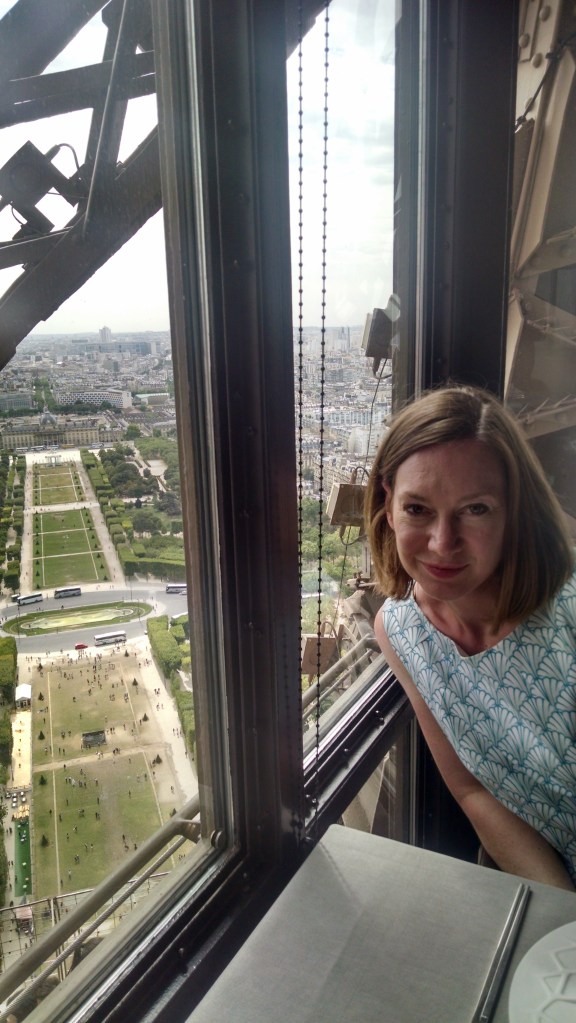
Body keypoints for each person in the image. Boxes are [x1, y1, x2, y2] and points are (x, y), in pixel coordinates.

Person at [366, 384, 576, 890]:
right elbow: (472, 789)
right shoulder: (401, 631)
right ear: (388, 505)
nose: (443, 543)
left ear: (514, 512)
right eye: (418, 509)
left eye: (475, 509)